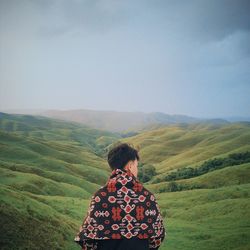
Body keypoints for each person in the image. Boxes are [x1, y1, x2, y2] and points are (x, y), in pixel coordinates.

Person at [74, 143, 166, 250]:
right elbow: (157, 236)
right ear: (130, 166)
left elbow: (87, 239)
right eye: (136, 166)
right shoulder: (147, 197)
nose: (137, 170)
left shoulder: (99, 196)